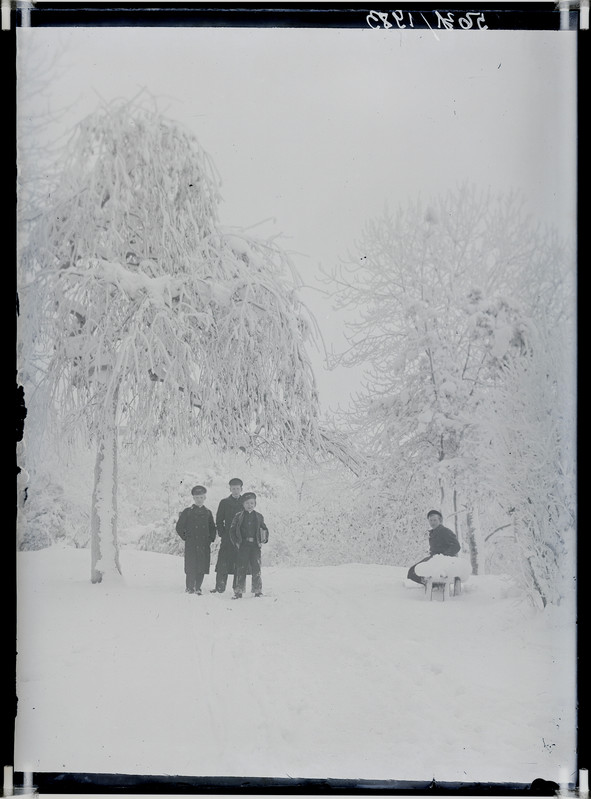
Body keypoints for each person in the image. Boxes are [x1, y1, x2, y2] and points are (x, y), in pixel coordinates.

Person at [175, 485, 217, 594]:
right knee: (191, 566)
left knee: (201, 566)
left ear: (205, 498)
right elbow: (179, 527)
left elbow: (213, 527)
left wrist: (210, 539)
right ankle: (189, 587)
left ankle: (198, 587)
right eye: (197, 497)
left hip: (203, 544)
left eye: (201, 497)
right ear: (193, 498)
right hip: (192, 544)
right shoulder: (188, 512)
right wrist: (186, 537)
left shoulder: (208, 513)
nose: (199, 500)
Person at [229, 492, 269, 599]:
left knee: (256, 568)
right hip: (243, 546)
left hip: (255, 547)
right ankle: (238, 591)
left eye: (252, 503)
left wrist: (264, 539)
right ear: (243, 504)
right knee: (241, 568)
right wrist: (236, 543)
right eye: (247, 503)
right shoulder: (238, 516)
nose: (249, 505)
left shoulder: (259, 516)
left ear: (255, 504)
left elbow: (264, 529)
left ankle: (257, 591)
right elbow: (232, 531)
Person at [407, 509, 461, 585]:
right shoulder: (433, 532)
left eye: (435, 520)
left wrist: (444, 556)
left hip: (442, 560)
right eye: (431, 520)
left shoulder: (445, 531)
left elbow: (456, 546)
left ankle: (434, 585)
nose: (432, 522)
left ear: (440, 520)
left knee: (413, 572)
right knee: (413, 571)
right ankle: (433, 585)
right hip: (434, 558)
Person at [211, 478, 244, 593]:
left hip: (240, 538)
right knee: (223, 562)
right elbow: (219, 520)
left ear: (241, 489)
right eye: (233, 488)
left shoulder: (245, 502)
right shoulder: (224, 502)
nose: (235, 491)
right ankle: (219, 587)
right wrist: (222, 533)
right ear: (230, 489)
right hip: (227, 538)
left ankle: (237, 587)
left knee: (239, 562)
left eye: (237, 488)